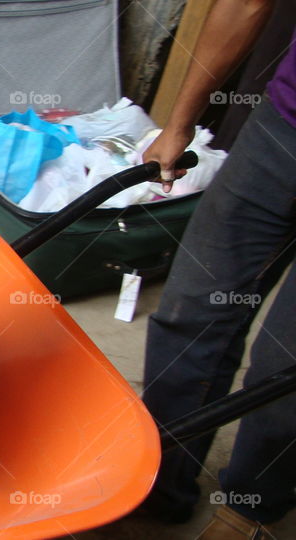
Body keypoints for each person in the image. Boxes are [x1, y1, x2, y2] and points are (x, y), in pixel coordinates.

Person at [140, 0, 295, 537]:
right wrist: (180, 122)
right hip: (283, 127)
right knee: (192, 311)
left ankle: (251, 506)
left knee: (284, 362)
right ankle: (157, 481)